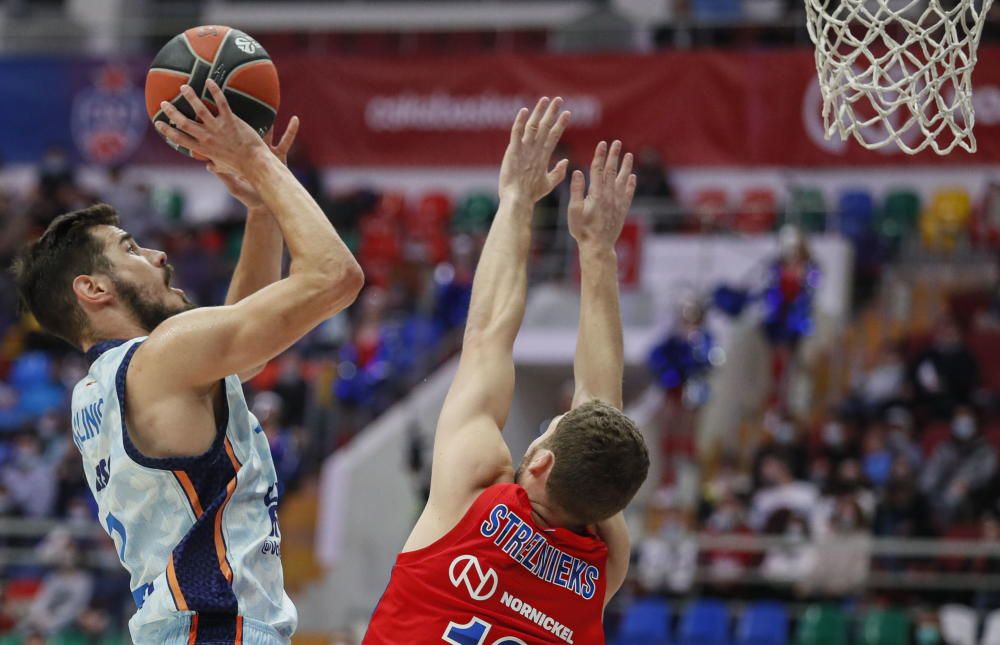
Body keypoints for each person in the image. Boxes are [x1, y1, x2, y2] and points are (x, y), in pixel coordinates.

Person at [12, 80, 364, 645]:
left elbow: (239, 354)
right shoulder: (164, 358)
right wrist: (257, 160)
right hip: (214, 629)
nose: (157, 254)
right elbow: (335, 278)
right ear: (93, 288)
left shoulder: (101, 387)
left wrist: (259, 212)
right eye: (130, 249)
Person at [363, 98, 649, 643]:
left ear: (539, 463)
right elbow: (601, 410)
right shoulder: (604, 564)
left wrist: (517, 200)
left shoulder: (471, 491)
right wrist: (598, 254)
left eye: (548, 429)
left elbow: (486, 336)